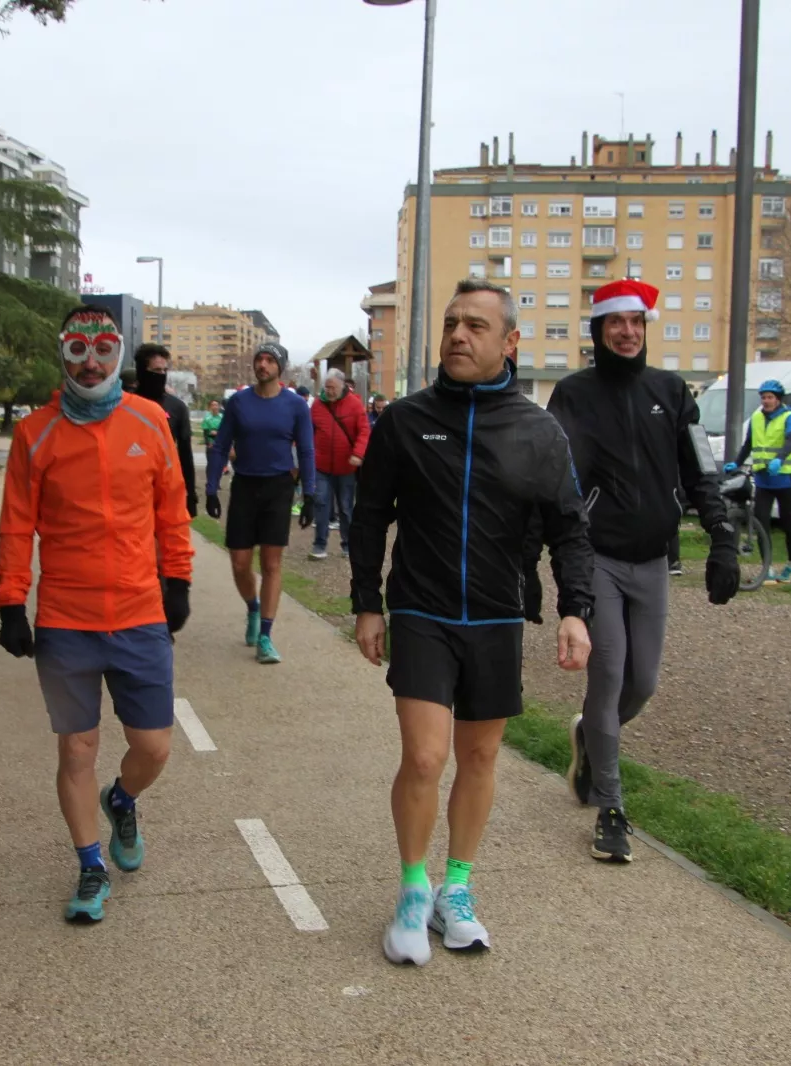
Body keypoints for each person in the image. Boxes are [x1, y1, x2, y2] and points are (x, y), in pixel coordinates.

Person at [352, 278, 595, 966]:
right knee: (426, 756)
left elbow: (569, 530)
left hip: (495, 615)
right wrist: (367, 601)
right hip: (423, 609)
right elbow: (370, 516)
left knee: (480, 756)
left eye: (476, 326)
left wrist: (576, 610)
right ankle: (411, 887)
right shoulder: (405, 420)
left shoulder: (538, 431)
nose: (458, 335)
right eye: (452, 323)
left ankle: (457, 887)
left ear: (509, 342)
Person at [0, 305, 194, 924]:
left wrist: (178, 577)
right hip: (65, 619)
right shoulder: (36, 432)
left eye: (104, 347)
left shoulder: (150, 419)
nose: (91, 361)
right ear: (63, 353)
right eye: (77, 348)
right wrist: (9, 600)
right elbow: (16, 524)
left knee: (154, 746)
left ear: (120, 352)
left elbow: (172, 509)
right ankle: (89, 865)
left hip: (138, 613)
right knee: (76, 749)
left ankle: (123, 798)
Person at [546, 278, 739, 864]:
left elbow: (701, 468)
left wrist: (723, 536)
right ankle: (611, 808)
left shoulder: (672, 391)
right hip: (597, 558)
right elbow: (555, 482)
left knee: (643, 683)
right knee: (608, 677)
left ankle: (589, 735)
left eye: (637, 322)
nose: (628, 332)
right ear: (598, 331)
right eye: (615, 323)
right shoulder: (574, 395)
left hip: (653, 561)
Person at [204, 342, 316, 665]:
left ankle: (266, 635)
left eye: (269, 360)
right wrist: (212, 488)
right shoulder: (239, 402)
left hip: (279, 487)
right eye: (259, 360)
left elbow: (307, 450)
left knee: (271, 563)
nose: (263, 365)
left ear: (280, 368)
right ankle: (253, 608)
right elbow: (221, 445)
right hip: (245, 486)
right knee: (239, 562)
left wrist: (309, 495)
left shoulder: (295, 406)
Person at [727, 380, 791, 584]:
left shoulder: (789, 417)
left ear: (778, 400)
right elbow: (749, 444)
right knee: (761, 522)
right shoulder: (757, 418)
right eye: (763, 397)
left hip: (785, 477)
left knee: (788, 522)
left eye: (770, 397)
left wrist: (780, 458)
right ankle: (766, 566)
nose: (766, 401)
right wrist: (736, 463)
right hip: (764, 478)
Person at [308, 368, 370, 560]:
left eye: (332, 387)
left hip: (346, 468)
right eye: (326, 387)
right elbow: (308, 431)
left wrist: (358, 454)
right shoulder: (317, 405)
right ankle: (320, 545)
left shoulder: (355, 405)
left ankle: (348, 545)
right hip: (322, 466)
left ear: (343, 386)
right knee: (321, 504)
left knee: (345, 507)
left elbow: (364, 431)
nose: (329, 391)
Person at [130, 343, 198, 518]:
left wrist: (190, 494)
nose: (160, 376)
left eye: (164, 371)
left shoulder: (177, 407)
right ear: (142, 371)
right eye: (155, 371)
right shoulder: (125, 405)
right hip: (132, 490)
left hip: (166, 489)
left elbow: (185, 454)